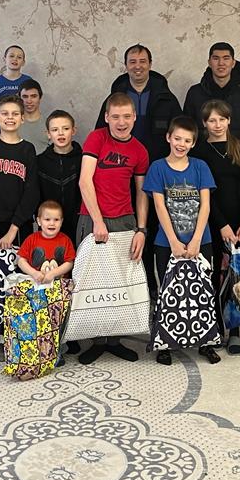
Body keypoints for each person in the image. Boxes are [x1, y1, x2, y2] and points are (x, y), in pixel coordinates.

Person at [95, 44, 181, 288]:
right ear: (125, 66)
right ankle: (128, 286)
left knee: (154, 228)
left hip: (158, 174)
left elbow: (179, 135)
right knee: (128, 230)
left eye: (142, 61)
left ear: (150, 64)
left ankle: (154, 287)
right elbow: (100, 134)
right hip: (122, 174)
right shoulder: (114, 97)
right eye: (132, 61)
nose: (138, 66)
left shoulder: (167, 98)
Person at [77, 92, 150, 364]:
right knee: (92, 280)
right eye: (116, 117)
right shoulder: (96, 138)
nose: (121, 122)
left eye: (127, 116)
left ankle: (115, 340)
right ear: (107, 117)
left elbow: (141, 193)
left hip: (125, 220)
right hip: (92, 218)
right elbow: (85, 181)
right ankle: (96, 341)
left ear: (134, 117)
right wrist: (97, 220)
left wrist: (141, 229)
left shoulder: (140, 150)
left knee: (121, 281)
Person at [143, 115, 219, 366]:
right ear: (168, 138)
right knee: (167, 292)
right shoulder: (158, 168)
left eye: (187, 140)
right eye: (177, 138)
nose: (181, 144)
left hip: (201, 241)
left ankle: (206, 342)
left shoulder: (200, 167)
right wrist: (174, 241)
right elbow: (159, 206)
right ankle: (165, 343)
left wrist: (196, 239)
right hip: (167, 243)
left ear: (193, 143)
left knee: (203, 292)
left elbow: (206, 205)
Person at [191, 99, 240, 355]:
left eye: (222, 119)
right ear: (204, 123)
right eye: (212, 120)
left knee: (237, 277)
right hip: (210, 221)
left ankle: (235, 331)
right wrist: (221, 225)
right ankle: (214, 326)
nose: (217, 125)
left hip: (238, 222)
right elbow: (205, 194)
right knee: (213, 274)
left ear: (229, 120)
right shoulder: (198, 152)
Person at [182, 42, 240, 190]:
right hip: (203, 163)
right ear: (209, 62)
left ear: (233, 62)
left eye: (226, 58)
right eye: (216, 58)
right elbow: (187, 132)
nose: (221, 63)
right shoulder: (195, 93)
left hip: (239, 163)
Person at [0, 95, 40, 249]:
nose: (10, 117)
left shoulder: (27, 149)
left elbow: (31, 192)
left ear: (22, 118)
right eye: (5, 113)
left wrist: (13, 229)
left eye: (15, 113)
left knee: (19, 265)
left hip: (19, 225)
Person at [37, 110, 83, 243]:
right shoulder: (39, 161)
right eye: (55, 130)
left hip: (78, 224)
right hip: (49, 226)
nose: (60, 133)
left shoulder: (84, 160)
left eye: (66, 128)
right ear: (48, 134)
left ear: (73, 131)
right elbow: (35, 194)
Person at [16, 201, 76, 284]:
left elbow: (70, 263)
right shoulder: (31, 239)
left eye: (56, 220)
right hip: (34, 284)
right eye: (47, 219)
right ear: (39, 221)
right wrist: (34, 273)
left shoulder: (65, 240)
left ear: (61, 221)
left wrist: (53, 273)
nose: (52, 223)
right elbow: (21, 261)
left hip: (59, 285)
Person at [18, 79, 49, 153]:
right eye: (25, 96)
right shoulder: (13, 123)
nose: (29, 101)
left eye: (33, 96)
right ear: (19, 98)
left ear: (40, 98)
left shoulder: (49, 124)